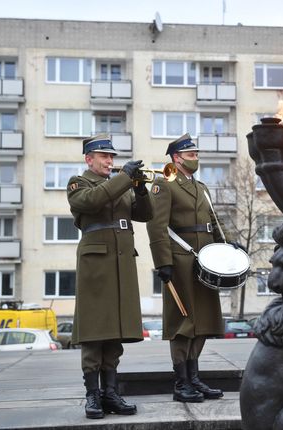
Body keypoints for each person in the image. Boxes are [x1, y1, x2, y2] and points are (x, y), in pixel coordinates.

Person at [67, 134, 154, 419]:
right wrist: (124, 178)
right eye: (104, 156)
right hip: (96, 264)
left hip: (121, 263)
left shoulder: (120, 186)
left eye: (112, 157)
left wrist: (140, 189)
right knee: (95, 331)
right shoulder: (79, 184)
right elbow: (92, 202)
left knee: (115, 330)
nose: (109, 161)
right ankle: (92, 395)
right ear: (88, 159)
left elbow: (144, 215)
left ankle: (110, 393)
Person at [146, 133, 225, 403]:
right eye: (191, 155)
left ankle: (194, 378)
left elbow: (212, 222)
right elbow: (156, 226)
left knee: (202, 321)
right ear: (176, 158)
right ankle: (181, 383)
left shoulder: (201, 186)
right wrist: (163, 263)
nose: (196, 159)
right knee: (184, 321)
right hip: (180, 260)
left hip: (205, 261)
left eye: (196, 155)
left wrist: (226, 248)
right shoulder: (164, 184)